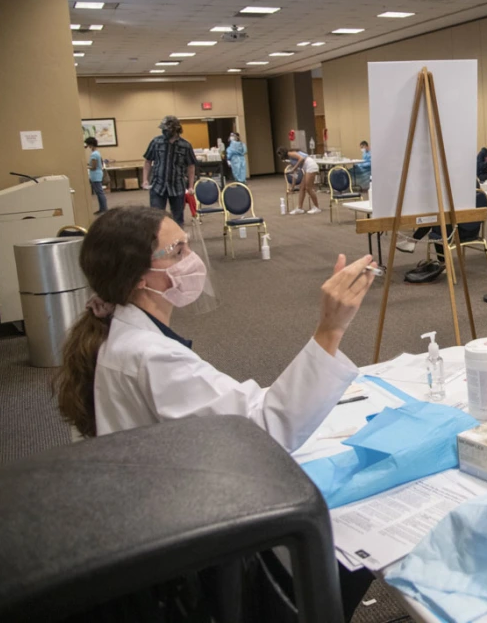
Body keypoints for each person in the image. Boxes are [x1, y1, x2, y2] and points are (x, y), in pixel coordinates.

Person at [53, 206, 378, 618]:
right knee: (356, 540)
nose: (192, 259)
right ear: (140, 277)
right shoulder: (150, 357)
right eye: (177, 251)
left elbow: (214, 405)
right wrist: (330, 329)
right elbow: (265, 434)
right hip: (187, 551)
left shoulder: (122, 331)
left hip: (155, 516)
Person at [143, 116, 197, 225]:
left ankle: (177, 241)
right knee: (155, 219)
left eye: (166, 129)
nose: (164, 131)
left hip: (177, 186)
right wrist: (145, 180)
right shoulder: (156, 142)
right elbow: (148, 161)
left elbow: (191, 166)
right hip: (158, 185)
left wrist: (191, 186)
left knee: (178, 219)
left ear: (175, 129)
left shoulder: (185, 145)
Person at [279, 147, 321, 214]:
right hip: (306, 167)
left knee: (308, 188)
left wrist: (293, 168)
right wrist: (292, 187)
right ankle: (299, 208)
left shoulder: (290, 153)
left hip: (310, 166)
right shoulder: (291, 160)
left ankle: (317, 207)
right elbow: (295, 174)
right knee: (302, 187)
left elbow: (301, 158)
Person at [84, 136, 107, 214]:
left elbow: (93, 167)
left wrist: (86, 166)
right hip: (97, 174)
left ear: (91, 145)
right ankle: (102, 208)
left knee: (100, 193)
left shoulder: (94, 154)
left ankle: (104, 209)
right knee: (99, 192)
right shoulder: (97, 153)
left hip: (95, 175)